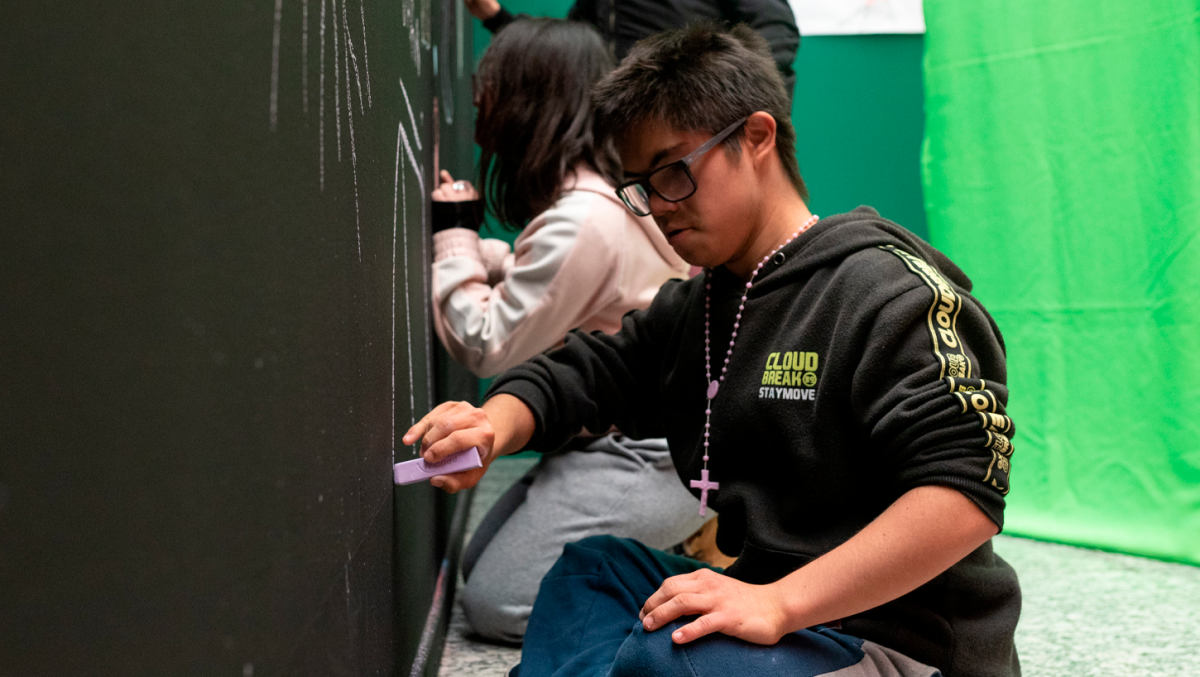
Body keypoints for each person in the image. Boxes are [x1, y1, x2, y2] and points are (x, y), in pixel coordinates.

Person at [408, 22, 1021, 677]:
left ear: (756, 137)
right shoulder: (704, 302)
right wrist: (493, 421)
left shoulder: (886, 290)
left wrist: (781, 602)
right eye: (641, 183)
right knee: (593, 571)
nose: (659, 207)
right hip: (777, 610)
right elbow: (590, 370)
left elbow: (962, 497)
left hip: (896, 642)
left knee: (665, 659)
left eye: (674, 171)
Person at [427, 18, 709, 644]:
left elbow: (485, 343)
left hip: (641, 455)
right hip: (611, 440)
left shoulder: (581, 219)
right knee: (481, 567)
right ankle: (681, 545)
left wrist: (453, 237)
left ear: (529, 101)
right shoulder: (600, 196)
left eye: (491, 89)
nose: (480, 103)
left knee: (501, 606)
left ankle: (704, 580)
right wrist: (488, 255)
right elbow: (555, 282)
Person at [461, 0, 800, 97]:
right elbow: (572, 52)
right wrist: (497, 19)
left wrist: (732, 115)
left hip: (692, 134)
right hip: (619, 137)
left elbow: (777, 35)